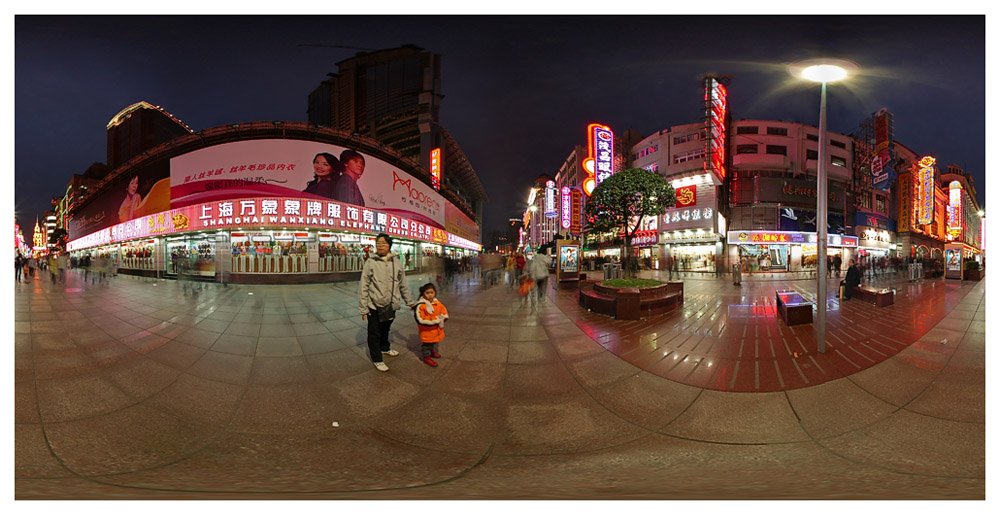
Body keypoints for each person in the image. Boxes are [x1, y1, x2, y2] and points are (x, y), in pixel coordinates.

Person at [359, 233, 415, 372]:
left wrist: (410, 302)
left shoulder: (396, 262)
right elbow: (363, 285)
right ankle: (377, 359)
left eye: (383, 243)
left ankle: (384, 348)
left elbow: (403, 284)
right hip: (374, 305)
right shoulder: (370, 262)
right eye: (378, 243)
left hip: (392, 304)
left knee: (386, 328)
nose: (380, 245)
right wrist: (363, 308)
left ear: (389, 245)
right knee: (374, 332)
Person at [414, 282, 449, 367]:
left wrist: (443, 317)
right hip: (427, 331)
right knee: (426, 345)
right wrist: (435, 321)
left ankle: (432, 351)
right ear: (423, 294)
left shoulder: (437, 303)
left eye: (432, 293)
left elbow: (444, 312)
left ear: (435, 293)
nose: (430, 295)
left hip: (436, 330)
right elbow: (421, 319)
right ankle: (427, 357)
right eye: (427, 293)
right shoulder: (421, 305)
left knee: (433, 342)